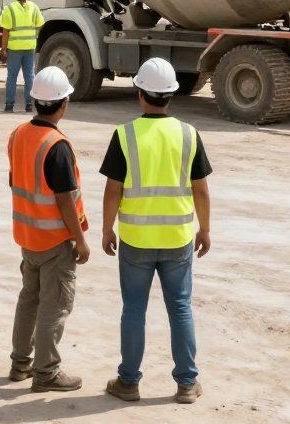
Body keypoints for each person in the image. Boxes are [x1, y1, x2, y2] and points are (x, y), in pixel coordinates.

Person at [101, 57, 212, 405]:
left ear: (139, 93)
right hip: (178, 238)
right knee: (180, 308)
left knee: (133, 309)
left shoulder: (125, 134)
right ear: (172, 94)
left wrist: (106, 229)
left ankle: (128, 382)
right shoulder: (188, 134)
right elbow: (201, 189)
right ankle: (186, 383)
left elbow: (112, 189)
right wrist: (205, 229)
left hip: (135, 239)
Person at [7, 66, 89, 393]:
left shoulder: (18, 135)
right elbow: (65, 199)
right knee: (53, 306)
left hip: (28, 237)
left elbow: (16, 181)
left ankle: (20, 363)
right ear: (63, 103)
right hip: (55, 240)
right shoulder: (57, 145)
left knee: (29, 299)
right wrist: (80, 240)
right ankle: (46, 373)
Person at [0, 0, 45, 113]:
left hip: (14, 48)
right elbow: (40, 23)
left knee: (12, 77)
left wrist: (3, 49)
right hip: (30, 47)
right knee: (29, 76)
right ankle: (29, 105)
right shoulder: (34, 7)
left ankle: (9, 105)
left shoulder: (9, 9)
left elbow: (5, 31)